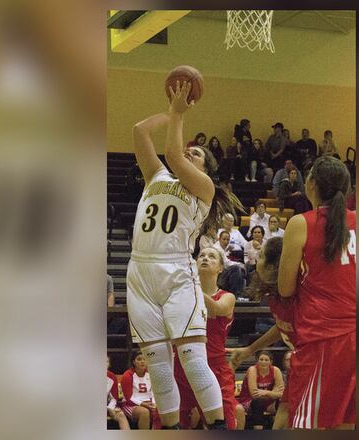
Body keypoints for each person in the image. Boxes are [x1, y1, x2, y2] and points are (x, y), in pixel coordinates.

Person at [128, 80, 242, 429]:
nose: (189, 152)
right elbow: (138, 131)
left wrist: (179, 114)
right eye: (189, 149)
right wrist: (169, 112)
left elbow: (175, 156)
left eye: (197, 154)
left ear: (205, 169)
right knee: (159, 365)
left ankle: (218, 427)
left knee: (192, 359)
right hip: (140, 273)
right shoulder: (156, 176)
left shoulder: (203, 189)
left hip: (176, 272)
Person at [278, 155, 356, 430]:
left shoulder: (301, 223)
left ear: (311, 184)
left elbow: (285, 288)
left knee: (306, 424)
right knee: (348, 422)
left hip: (324, 338)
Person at [173, 247, 245, 430]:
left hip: (215, 367)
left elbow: (216, 308)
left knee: (225, 424)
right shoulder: (181, 295)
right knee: (169, 423)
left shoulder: (227, 297)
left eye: (212, 257)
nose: (205, 258)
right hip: (182, 365)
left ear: (221, 267)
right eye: (201, 256)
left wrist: (191, 287)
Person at [228, 237, 297, 430]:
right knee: (285, 408)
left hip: (318, 359)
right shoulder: (276, 293)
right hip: (302, 360)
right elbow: (283, 326)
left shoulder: (297, 293)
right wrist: (250, 349)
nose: (257, 257)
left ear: (274, 266)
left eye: (262, 255)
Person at [236, 350, 285, 430]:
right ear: (257, 361)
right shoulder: (252, 370)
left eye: (266, 360)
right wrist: (273, 393)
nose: (263, 362)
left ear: (271, 362)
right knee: (258, 402)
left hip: (268, 402)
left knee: (283, 402)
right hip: (249, 401)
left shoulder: (276, 370)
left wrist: (265, 392)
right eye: (261, 359)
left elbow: (282, 393)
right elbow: (254, 394)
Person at [120, 352, 161, 429]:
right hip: (130, 405)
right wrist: (143, 404)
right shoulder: (127, 375)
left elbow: (153, 392)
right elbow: (128, 397)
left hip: (148, 403)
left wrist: (154, 404)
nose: (142, 361)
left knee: (161, 411)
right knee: (144, 412)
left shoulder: (150, 374)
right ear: (134, 362)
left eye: (144, 359)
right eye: (139, 359)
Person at [108, 357, 131, 430]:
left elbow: (114, 397)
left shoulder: (111, 376)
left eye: (106, 362)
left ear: (109, 364)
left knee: (121, 414)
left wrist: (110, 407)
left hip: (109, 408)